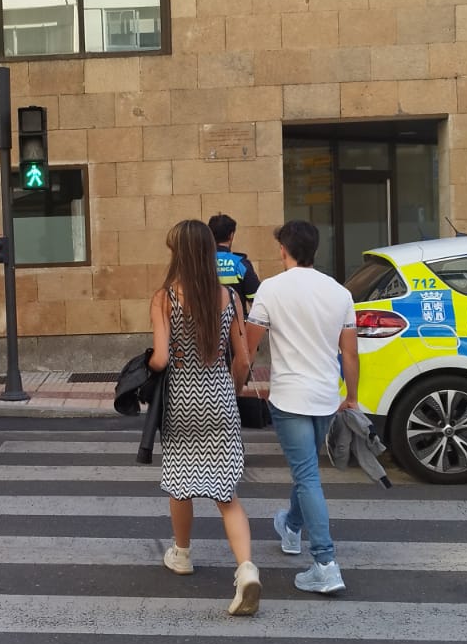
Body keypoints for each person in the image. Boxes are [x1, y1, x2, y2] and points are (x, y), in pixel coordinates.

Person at [149, 219, 260, 617]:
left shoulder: (165, 298)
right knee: (226, 495)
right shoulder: (228, 297)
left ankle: (181, 554)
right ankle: (246, 569)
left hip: (182, 399)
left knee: (181, 483)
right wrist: (231, 388)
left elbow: (161, 358)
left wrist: (147, 364)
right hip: (219, 396)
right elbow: (243, 358)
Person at [241, 220, 357, 594]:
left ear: (283, 250)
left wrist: (233, 384)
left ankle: (325, 563)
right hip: (326, 396)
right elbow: (350, 353)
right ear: (315, 250)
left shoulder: (270, 290)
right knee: (306, 468)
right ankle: (290, 527)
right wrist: (351, 395)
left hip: (289, 396)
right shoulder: (340, 292)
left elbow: (249, 347)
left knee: (306, 475)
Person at [210, 214, 260, 311]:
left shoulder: (200, 262)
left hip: (207, 324)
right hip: (236, 323)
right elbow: (256, 302)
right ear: (231, 235)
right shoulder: (240, 264)